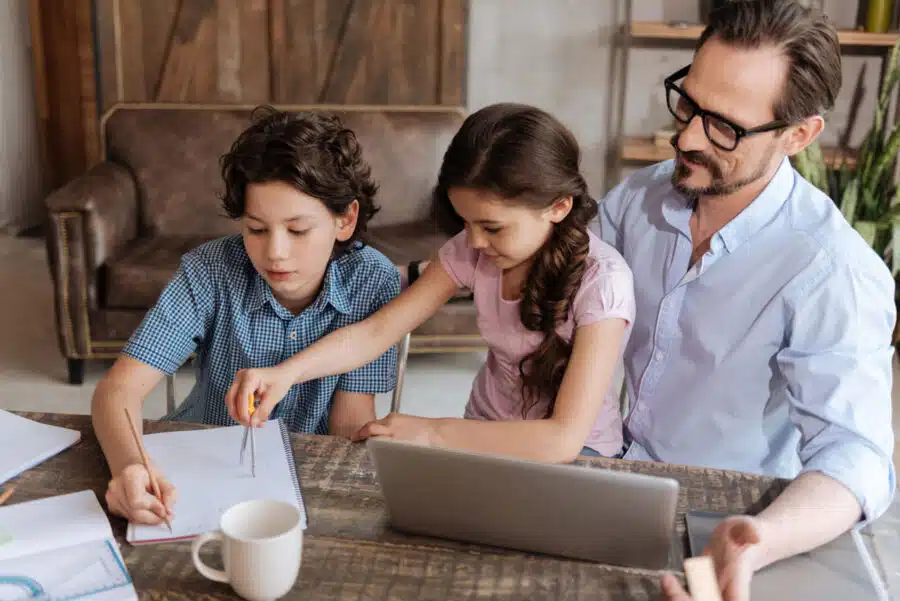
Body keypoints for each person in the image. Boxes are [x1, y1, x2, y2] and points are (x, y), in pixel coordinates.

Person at [595, 1, 895, 599]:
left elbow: (855, 457)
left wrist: (757, 537)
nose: (685, 136)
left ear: (799, 134)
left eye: (724, 126)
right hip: (616, 484)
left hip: (734, 518)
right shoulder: (640, 198)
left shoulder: (833, 271)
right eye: (688, 103)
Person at [224, 102, 636, 464]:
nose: (473, 241)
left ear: (559, 207)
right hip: (483, 432)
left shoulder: (604, 282)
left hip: (580, 456)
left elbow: (561, 439)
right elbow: (376, 332)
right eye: (466, 222)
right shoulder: (476, 249)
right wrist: (286, 373)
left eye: (492, 226)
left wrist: (431, 432)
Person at [91, 107, 400, 525]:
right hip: (195, 468)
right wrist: (130, 466)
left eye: (297, 230)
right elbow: (117, 391)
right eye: (256, 229)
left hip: (302, 486)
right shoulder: (209, 269)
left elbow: (349, 422)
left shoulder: (373, 279)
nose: (274, 252)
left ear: (345, 219)